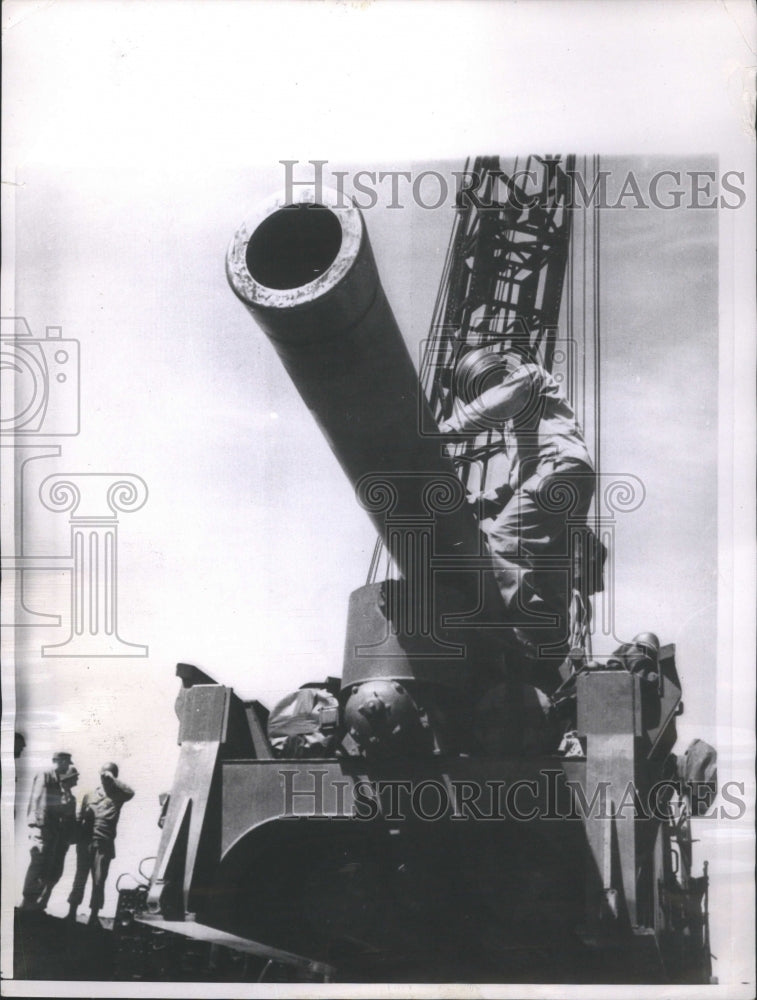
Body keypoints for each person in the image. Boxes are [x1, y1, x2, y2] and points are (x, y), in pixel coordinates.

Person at [439, 352, 595, 669]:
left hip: (556, 468)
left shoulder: (527, 377)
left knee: (504, 541)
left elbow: (499, 401)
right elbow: (514, 486)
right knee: (549, 569)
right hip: (567, 479)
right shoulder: (515, 425)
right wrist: (473, 503)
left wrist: (446, 431)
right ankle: (549, 645)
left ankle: (524, 626)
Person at [67, 762, 134, 926]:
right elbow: (79, 817)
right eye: (102, 774)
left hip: (104, 843)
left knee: (99, 881)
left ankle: (94, 915)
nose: (104, 778)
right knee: (80, 878)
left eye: (108, 775)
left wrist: (113, 780)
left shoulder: (118, 796)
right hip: (86, 841)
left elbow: (131, 793)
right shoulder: (89, 794)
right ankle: (71, 913)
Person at [20, 752, 79, 911]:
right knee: (38, 863)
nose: (67, 767)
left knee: (44, 866)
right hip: (43, 827)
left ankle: (31, 904)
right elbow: (39, 800)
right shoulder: (46, 775)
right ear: (60, 761)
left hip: (50, 830)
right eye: (66, 763)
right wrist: (38, 824)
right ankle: (27, 904)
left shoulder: (55, 780)